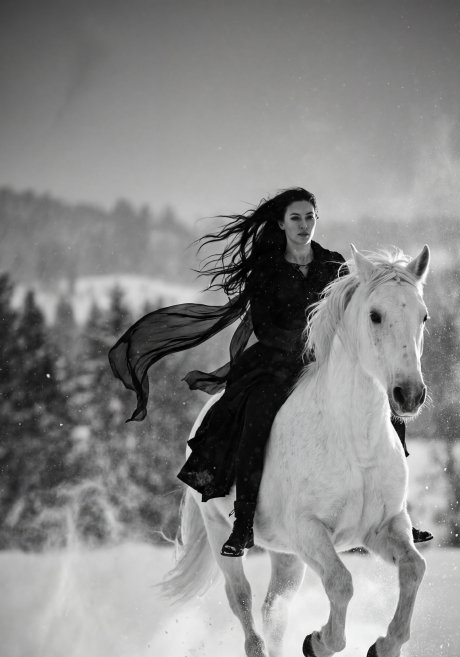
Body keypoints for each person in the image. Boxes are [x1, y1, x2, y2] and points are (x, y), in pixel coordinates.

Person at [109, 187, 432, 557]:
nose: (304, 225)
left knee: (385, 403)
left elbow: (358, 312)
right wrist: (306, 346)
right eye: (295, 218)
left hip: (324, 363)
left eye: (310, 217)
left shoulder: (333, 264)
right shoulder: (266, 268)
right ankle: (244, 519)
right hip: (276, 363)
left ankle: (393, 511)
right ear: (281, 223)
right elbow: (265, 326)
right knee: (257, 414)